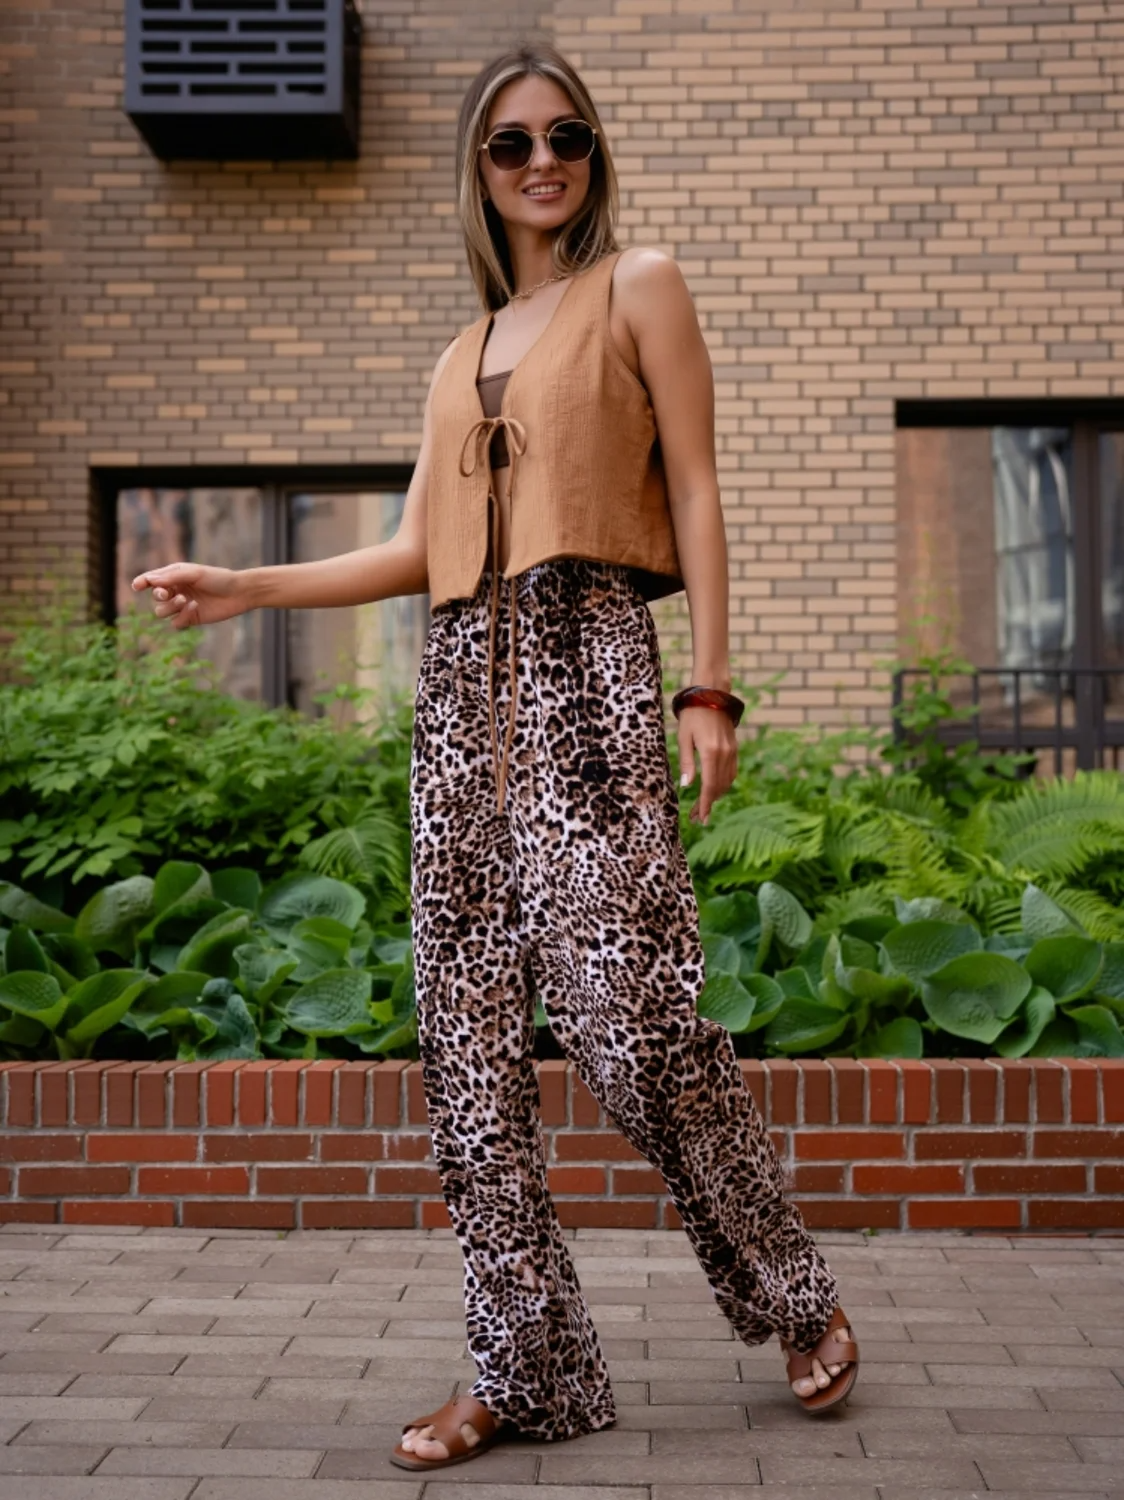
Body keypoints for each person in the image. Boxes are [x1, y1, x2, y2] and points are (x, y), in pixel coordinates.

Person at [133, 40, 859, 1476]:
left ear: (593, 155)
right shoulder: (457, 356)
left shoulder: (639, 286)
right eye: (512, 141)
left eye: (566, 136)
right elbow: (416, 548)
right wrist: (245, 588)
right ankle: (524, 1369)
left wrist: (709, 685)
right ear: (478, 166)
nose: (542, 161)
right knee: (467, 1058)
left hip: (592, 676)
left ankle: (794, 1293)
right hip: (460, 698)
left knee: (632, 1027)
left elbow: (699, 484)